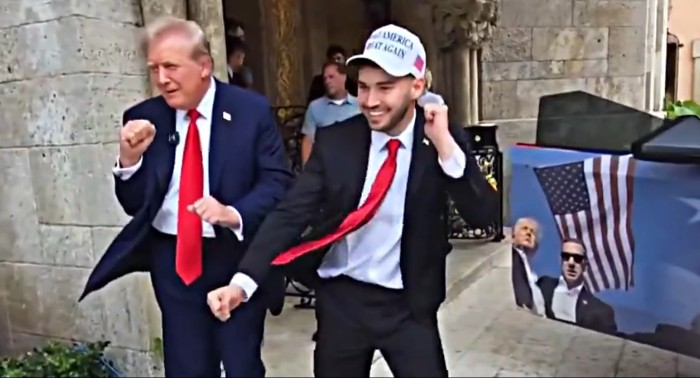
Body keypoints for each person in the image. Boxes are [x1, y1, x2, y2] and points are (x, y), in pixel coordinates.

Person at [206, 24, 499, 377]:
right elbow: (290, 212)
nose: (371, 101)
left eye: (385, 88)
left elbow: (482, 214)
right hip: (342, 301)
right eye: (363, 86)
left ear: (417, 87)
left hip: (408, 304)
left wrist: (446, 148)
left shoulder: (437, 140)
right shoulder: (336, 141)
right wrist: (242, 283)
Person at [79, 16, 293, 377]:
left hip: (234, 258)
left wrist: (233, 212)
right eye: (154, 68)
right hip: (174, 261)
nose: (162, 79)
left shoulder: (249, 111)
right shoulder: (144, 118)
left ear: (205, 66)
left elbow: (277, 182)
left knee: (241, 365)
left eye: (171, 66)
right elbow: (135, 204)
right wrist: (128, 161)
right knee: (187, 367)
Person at [537, 238, 618, 336]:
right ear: (560, 261)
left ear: (585, 265)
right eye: (566, 256)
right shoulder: (543, 286)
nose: (571, 263)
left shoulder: (601, 311)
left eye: (577, 258)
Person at [301, 61, 360, 165]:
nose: (327, 81)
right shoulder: (315, 107)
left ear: (344, 77)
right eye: (325, 78)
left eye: (331, 77)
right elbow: (308, 141)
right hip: (325, 166)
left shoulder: (360, 105)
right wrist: (307, 171)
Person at [510, 217, 545, 316]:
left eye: (532, 232)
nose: (529, 233)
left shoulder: (533, 275)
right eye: (524, 229)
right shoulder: (511, 256)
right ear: (513, 235)